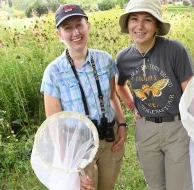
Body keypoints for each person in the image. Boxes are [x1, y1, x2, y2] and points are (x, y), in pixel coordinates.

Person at [40, 4, 127, 190]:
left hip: (108, 138)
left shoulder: (105, 60)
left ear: (88, 25)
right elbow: (55, 124)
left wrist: (121, 124)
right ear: (59, 34)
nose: (75, 32)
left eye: (79, 25)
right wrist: (68, 168)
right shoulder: (53, 72)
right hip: (77, 145)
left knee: (107, 186)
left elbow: (112, 97)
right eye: (67, 28)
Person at [115, 0, 194, 189]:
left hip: (176, 127)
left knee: (179, 186)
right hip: (146, 130)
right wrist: (133, 106)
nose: (140, 26)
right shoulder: (123, 58)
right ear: (127, 24)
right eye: (134, 19)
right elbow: (119, 86)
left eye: (147, 20)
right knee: (156, 186)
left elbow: (192, 92)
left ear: (157, 25)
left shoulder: (175, 50)